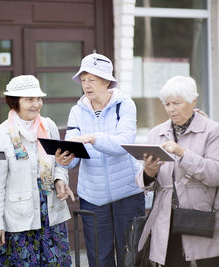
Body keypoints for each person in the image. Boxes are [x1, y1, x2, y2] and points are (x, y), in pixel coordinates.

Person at [55, 53, 144, 267]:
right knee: (98, 259)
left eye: (92, 80)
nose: (86, 85)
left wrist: (93, 138)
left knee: (130, 257)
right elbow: (74, 151)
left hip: (128, 193)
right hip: (93, 197)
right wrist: (65, 160)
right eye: (83, 80)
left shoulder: (125, 105)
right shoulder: (77, 111)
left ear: (107, 81)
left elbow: (124, 143)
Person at [0, 75, 75, 266]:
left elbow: (59, 163)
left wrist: (60, 179)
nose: (36, 104)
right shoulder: (2, 134)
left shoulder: (49, 126)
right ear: (15, 102)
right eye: (29, 99)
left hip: (52, 212)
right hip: (19, 218)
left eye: (38, 99)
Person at [135, 76, 219, 266]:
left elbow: (215, 174)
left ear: (193, 101)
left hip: (202, 217)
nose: (171, 109)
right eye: (167, 104)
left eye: (177, 103)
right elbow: (147, 184)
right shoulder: (155, 133)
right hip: (167, 220)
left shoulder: (213, 131)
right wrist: (148, 171)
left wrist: (182, 153)